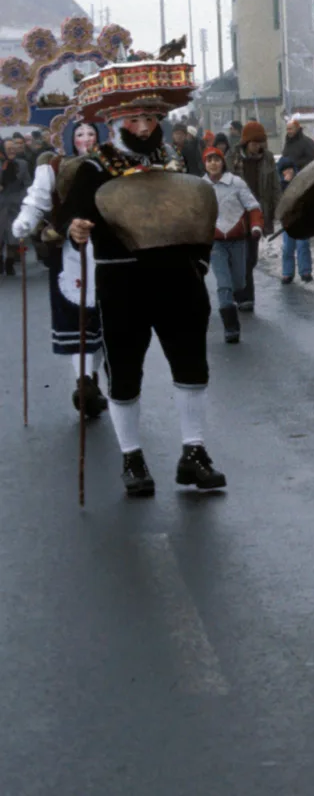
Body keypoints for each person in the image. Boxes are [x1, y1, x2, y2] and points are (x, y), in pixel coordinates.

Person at [61, 79, 226, 498]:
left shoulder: (172, 161)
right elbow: (74, 217)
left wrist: (200, 262)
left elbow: (196, 212)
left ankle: (194, 452)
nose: (142, 126)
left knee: (191, 366)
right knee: (125, 371)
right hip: (122, 280)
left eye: (150, 117)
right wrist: (76, 228)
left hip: (178, 279)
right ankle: (132, 457)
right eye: (133, 118)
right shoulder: (94, 168)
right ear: (117, 121)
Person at [10, 119, 107, 418]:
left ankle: (96, 378)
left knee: (106, 318)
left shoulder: (112, 163)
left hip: (109, 248)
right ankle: (84, 379)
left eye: (92, 133)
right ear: (68, 138)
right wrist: (25, 219)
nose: (86, 138)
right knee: (75, 317)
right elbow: (37, 199)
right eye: (79, 134)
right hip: (70, 250)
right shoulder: (52, 166)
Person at [204, 147, 263, 343]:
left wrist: (255, 226)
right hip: (215, 243)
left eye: (216, 159)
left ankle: (237, 297)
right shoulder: (200, 187)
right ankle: (230, 327)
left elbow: (253, 206)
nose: (213, 163)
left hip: (238, 241)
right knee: (224, 285)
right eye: (209, 160)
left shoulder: (236, 183)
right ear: (205, 164)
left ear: (223, 162)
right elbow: (194, 214)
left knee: (239, 282)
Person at [226, 121, 278, 310]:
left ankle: (240, 291)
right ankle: (244, 297)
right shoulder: (232, 158)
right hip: (238, 213)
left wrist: (276, 210)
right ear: (246, 142)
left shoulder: (268, 158)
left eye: (261, 142)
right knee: (242, 256)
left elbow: (274, 185)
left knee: (252, 258)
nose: (258, 146)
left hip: (258, 212)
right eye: (255, 142)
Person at [276, 155, 313, 283]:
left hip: (301, 219)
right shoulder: (279, 184)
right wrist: (285, 183)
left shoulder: (300, 180)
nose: (288, 172)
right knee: (288, 248)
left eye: (290, 169)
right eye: (285, 170)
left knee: (303, 245)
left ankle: (306, 272)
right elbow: (282, 200)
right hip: (287, 221)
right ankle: (287, 273)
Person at [0, 137, 30, 275]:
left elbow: (28, 184)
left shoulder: (22, 164)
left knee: (13, 237)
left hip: (15, 205)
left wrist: (22, 198)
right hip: (0, 205)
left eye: (14, 148)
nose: (12, 151)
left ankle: (10, 263)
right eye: (8, 148)